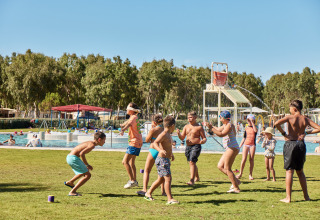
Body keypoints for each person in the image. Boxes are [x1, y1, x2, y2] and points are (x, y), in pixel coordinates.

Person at [275, 99, 320, 203]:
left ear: (294, 109)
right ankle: (306, 197)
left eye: (290, 108)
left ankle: (288, 198)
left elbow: (276, 123)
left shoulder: (290, 117)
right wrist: (306, 133)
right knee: (300, 171)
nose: (289, 110)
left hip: (290, 144)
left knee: (289, 171)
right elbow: (318, 128)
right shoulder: (305, 119)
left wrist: (284, 134)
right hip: (300, 145)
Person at [144, 115, 179, 204]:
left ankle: (148, 193)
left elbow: (168, 146)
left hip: (165, 159)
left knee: (161, 179)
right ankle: (170, 199)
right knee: (168, 178)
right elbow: (155, 142)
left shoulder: (168, 134)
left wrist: (171, 154)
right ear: (172, 126)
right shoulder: (163, 134)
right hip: (162, 160)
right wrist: (160, 150)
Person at [204, 110, 241, 193]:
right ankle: (236, 181)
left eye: (220, 117)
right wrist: (210, 126)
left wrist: (211, 128)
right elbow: (218, 129)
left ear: (224, 118)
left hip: (232, 148)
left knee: (228, 169)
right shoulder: (225, 125)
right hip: (230, 148)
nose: (219, 118)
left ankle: (236, 188)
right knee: (220, 166)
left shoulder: (229, 125)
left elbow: (221, 134)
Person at [64, 131, 106, 196]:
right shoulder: (92, 145)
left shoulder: (90, 142)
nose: (104, 142)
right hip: (73, 158)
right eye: (104, 140)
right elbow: (81, 153)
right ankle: (72, 192)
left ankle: (70, 182)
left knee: (83, 172)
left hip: (69, 157)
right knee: (88, 175)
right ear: (99, 139)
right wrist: (87, 165)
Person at [137, 114, 165, 196]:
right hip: (161, 151)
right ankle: (163, 191)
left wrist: (152, 129)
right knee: (161, 172)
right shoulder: (164, 130)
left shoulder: (153, 130)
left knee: (147, 170)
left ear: (153, 122)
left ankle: (145, 189)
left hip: (153, 150)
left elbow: (147, 139)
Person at [177, 111, 207, 185]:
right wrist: (178, 134)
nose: (189, 119)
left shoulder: (199, 127)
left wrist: (203, 141)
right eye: (188, 118)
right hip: (188, 147)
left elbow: (204, 138)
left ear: (195, 117)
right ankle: (197, 177)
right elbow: (182, 138)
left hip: (196, 146)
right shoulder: (186, 127)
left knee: (192, 162)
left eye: (190, 117)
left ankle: (192, 180)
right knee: (192, 162)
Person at [120, 102, 143, 189]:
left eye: (128, 108)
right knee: (131, 163)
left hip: (134, 142)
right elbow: (128, 122)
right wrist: (123, 125)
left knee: (125, 162)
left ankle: (132, 181)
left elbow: (129, 124)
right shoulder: (134, 117)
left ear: (131, 110)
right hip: (137, 142)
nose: (126, 109)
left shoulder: (133, 117)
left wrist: (123, 130)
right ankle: (135, 180)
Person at [236, 114, 258, 180]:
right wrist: (239, 146)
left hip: (252, 145)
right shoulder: (246, 128)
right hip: (246, 144)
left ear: (253, 120)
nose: (249, 121)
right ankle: (240, 173)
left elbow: (255, 131)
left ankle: (250, 174)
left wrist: (252, 123)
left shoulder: (255, 127)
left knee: (251, 159)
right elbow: (244, 138)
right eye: (248, 120)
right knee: (243, 159)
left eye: (250, 120)